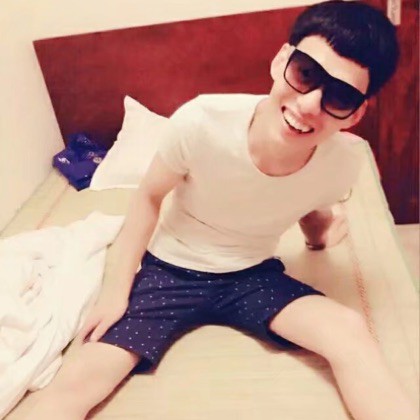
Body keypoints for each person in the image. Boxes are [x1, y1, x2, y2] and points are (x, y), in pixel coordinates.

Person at [26, 1, 417, 419]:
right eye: (306, 74)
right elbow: (148, 197)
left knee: (349, 330)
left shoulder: (345, 161)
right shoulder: (201, 121)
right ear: (281, 59)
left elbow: (308, 200)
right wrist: (115, 291)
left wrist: (318, 236)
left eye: (339, 97)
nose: (309, 105)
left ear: (356, 113)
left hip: (251, 275)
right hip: (168, 269)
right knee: (82, 375)